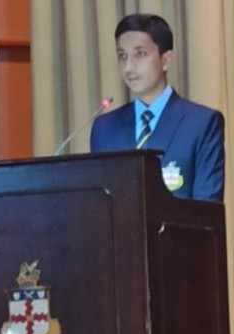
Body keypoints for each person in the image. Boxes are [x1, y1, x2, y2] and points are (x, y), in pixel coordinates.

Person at [90, 13, 225, 202]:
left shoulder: (201, 123)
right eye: (122, 56)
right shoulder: (105, 128)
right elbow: (98, 205)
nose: (128, 67)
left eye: (140, 54)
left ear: (166, 60)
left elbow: (207, 206)